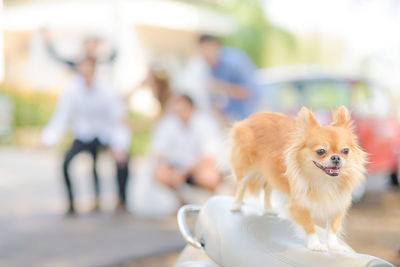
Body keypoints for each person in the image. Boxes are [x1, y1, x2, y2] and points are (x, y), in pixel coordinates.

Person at [41, 57, 131, 215]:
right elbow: (61, 117)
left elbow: (118, 120)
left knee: (123, 161)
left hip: (105, 134)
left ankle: (121, 200)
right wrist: (48, 138)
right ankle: (71, 203)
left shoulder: (107, 89)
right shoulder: (72, 89)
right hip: (83, 134)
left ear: (95, 70)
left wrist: (119, 145)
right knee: (66, 162)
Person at [151, 94, 222, 193]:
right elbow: (159, 151)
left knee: (209, 178)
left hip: (197, 168)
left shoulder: (205, 123)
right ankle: (180, 201)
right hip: (174, 167)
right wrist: (169, 168)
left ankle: (207, 202)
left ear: (190, 106)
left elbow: (209, 156)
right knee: (160, 174)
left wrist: (184, 172)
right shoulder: (168, 122)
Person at [198, 34, 259, 121]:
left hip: (252, 115)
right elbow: (213, 101)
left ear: (215, 46)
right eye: (202, 51)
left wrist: (221, 87)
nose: (205, 54)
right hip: (233, 120)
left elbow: (251, 92)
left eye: (207, 49)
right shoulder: (208, 69)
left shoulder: (234, 61)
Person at [41, 27, 117, 70]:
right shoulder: (76, 63)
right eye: (89, 43)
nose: (91, 47)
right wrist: (48, 40)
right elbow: (56, 56)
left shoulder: (102, 63)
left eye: (94, 43)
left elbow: (114, 53)